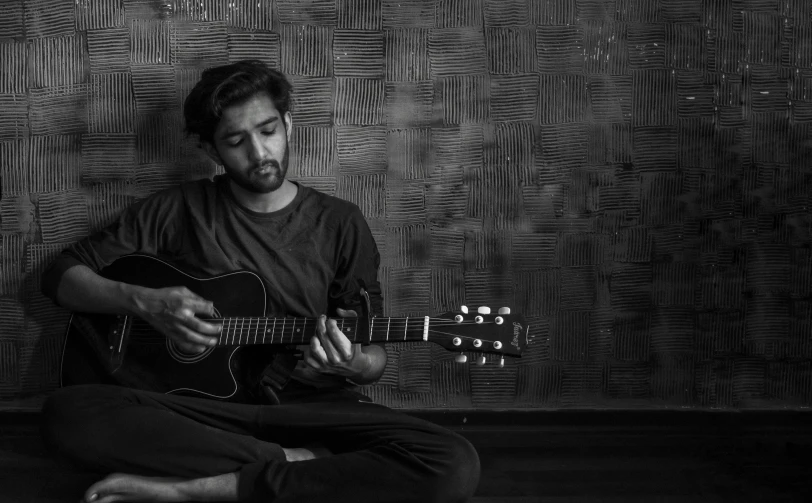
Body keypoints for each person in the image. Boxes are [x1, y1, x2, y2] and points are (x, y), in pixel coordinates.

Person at [39, 60, 480, 503]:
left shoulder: (340, 222)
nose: (259, 153)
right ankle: (297, 465)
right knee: (68, 413)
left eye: (268, 130)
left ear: (287, 123)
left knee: (452, 462)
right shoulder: (179, 209)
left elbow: (372, 351)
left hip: (310, 408)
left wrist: (355, 365)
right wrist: (142, 301)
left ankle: (197, 489)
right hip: (201, 413)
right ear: (212, 151)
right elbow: (61, 276)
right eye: (235, 141)